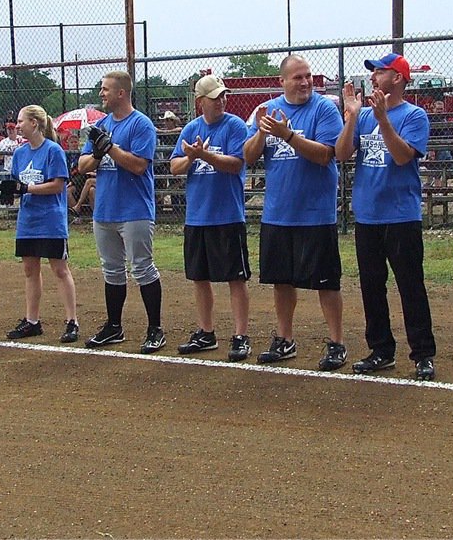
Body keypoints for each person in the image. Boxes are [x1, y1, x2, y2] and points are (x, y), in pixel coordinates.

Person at [335, 53, 438, 380]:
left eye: (381, 71)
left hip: (401, 216)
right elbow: (341, 154)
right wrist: (352, 116)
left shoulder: (414, 115)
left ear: (398, 77)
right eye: (374, 72)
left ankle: (422, 353)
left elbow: (401, 155)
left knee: (410, 285)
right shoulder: (364, 115)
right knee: (371, 286)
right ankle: (381, 349)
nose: (374, 76)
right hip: (368, 215)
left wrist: (382, 119)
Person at [244, 54, 346, 371]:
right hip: (278, 212)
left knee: (326, 283)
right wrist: (263, 132)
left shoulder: (324, 109)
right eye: (298, 77)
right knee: (281, 280)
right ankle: (285, 338)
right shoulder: (267, 110)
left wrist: (288, 135)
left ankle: (337, 343)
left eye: (308, 76)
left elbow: (326, 155)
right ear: (282, 81)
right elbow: (247, 157)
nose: (305, 82)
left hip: (315, 212)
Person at [79, 70, 166, 353]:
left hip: (134, 209)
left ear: (121, 93)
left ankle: (155, 329)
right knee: (112, 270)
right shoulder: (102, 124)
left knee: (142, 267)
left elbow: (140, 165)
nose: (101, 94)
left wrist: (111, 148)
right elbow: (82, 166)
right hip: (105, 209)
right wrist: (98, 151)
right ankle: (114, 327)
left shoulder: (141, 124)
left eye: (105, 89)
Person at [169, 74, 253, 361]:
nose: (222, 101)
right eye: (215, 97)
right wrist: (193, 157)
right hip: (197, 217)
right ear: (199, 102)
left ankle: (241, 335)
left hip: (227, 215)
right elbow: (175, 167)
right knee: (199, 278)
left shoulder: (234, 126)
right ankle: (206, 332)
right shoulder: (191, 129)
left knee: (235, 278)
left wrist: (205, 155)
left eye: (223, 96)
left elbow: (236, 164)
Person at [4, 105, 80, 343]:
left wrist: (27, 188)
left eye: (21, 121)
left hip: (50, 221)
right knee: (30, 271)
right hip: (28, 221)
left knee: (59, 269)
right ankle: (32, 321)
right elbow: (19, 183)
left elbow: (58, 185)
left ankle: (72, 321)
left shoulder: (53, 151)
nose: (17, 125)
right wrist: (10, 192)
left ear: (34, 124)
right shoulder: (20, 153)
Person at [0, 121, 24, 206]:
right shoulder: (4, 142)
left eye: (12, 129)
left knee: (19, 188)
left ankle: (19, 205)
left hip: (20, 169)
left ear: (16, 129)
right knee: (8, 190)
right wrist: (4, 152)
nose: (11, 131)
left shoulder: (21, 139)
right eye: (9, 129)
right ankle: (9, 206)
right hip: (8, 168)